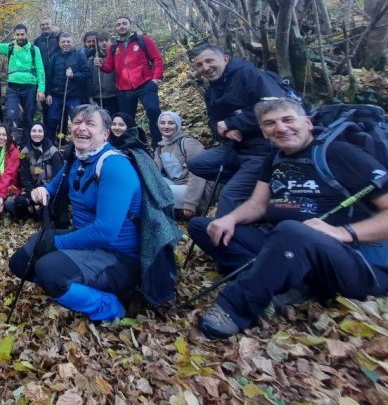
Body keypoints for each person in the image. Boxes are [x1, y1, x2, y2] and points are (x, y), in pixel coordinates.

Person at [188, 98, 388, 339]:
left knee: (292, 231)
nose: (281, 128)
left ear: (307, 122)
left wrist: (343, 232)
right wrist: (229, 219)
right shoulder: (275, 157)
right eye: (270, 123)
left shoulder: (341, 154)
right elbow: (257, 205)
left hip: (353, 260)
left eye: (288, 119)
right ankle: (287, 281)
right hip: (285, 243)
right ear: (263, 131)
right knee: (203, 227)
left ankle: (234, 308)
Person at [8, 104, 143, 321]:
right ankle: (71, 287)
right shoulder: (78, 159)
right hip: (86, 242)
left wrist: (57, 244)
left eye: (90, 123)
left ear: (105, 134)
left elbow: (105, 231)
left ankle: (110, 306)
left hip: (116, 257)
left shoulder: (114, 167)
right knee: (21, 262)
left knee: (48, 269)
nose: (82, 128)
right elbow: (55, 185)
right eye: (78, 122)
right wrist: (43, 190)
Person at [186, 44, 285, 216]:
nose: (205, 68)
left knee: (228, 196)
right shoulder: (211, 91)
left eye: (209, 61)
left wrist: (232, 123)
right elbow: (213, 121)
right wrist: (223, 130)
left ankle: (247, 193)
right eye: (200, 65)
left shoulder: (247, 74)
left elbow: (273, 107)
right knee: (197, 164)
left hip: (262, 149)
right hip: (236, 147)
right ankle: (253, 187)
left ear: (225, 58)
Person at [99, 16, 164, 145]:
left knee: (153, 111)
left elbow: (156, 59)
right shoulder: (113, 47)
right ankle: (130, 146)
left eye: (124, 23)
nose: (121, 26)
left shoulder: (143, 40)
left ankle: (159, 144)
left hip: (145, 84)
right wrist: (100, 65)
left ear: (130, 25)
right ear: (115, 29)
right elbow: (109, 68)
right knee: (126, 120)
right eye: (118, 25)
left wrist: (156, 78)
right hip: (124, 89)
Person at [0, 23, 46, 144]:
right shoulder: (10, 47)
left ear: (27, 34)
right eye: (18, 35)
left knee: (28, 117)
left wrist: (41, 89)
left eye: (22, 34)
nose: (20, 37)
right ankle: (11, 144)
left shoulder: (34, 49)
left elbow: (40, 70)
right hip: (13, 87)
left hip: (30, 87)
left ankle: (28, 145)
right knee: (11, 116)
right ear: (14, 35)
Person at [153, 111, 210, 220]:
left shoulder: (188, 143)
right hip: (176, 186)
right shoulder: (160, 148)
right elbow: (153, 173)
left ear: (177, 125)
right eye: (162, 123)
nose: (166, 126)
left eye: (171, 123)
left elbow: (199, 174)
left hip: (195, 192)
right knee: (151, 186)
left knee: (158, 191)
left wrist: (190, 203)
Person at [15, 123, 67, 227]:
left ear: (44, 133)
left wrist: (46, 190)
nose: (37, 134)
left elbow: (59, 176)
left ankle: (44, 213)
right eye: (34, 131)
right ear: (30, 133)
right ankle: (35, 212)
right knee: (18, 201)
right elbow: (24, 177)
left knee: (61, 214)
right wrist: (33, 191)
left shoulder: (53, 151)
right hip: (34, 190)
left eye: (40, 131)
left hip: (51, 190)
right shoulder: (24, 153)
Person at [45, 32, 89, 139]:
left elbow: (87, 74)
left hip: (74, 95)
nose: (66, 44)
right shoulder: (55, 57)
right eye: (63, 42)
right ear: (59, 43)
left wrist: (74, 75)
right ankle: (50, 145)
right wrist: (48, 94)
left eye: (68, 41)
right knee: (52, 119)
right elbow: (49, 76)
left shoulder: (79, 55)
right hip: (56, 95)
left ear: (72, 42)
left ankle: (77, 146)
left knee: (77, 121)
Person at [82, 31, 117, 113]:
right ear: (97, 43)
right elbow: (89, 79)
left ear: (111, 41)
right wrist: (90, 96)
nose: (104, 43)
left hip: (114, 95)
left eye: (106, 40)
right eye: (101, 41)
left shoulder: (116, 56)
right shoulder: (91, 59)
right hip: (97, 96)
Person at [34, 17, 60, 126]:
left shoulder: (58, 38)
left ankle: (61, 134)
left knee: (58, 106)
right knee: (44, 105)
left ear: (51, 24)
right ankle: (46, 130)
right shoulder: (37, 41)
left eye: (47, 24)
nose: (45, 26)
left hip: (57, 76)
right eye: (42, 25)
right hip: (43, 77)